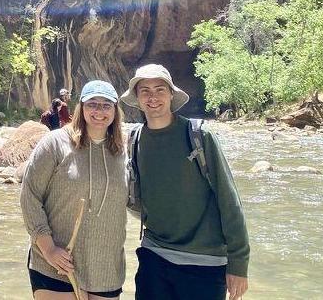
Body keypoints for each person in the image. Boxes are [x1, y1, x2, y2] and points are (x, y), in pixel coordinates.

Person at [120, 64, 250, 300]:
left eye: (160, 90)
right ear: (137, 98)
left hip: (205, 261)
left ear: (171, 94)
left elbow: (229, 201)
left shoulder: (199, 136)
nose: (153, 97)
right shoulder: (135, 139)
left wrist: (238, 264)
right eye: (145, 91)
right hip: (154, 255)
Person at [21, 80, 127, 298]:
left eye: (107, 105)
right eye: (92, 104)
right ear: (81, 107)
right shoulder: (55, 143)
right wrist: (48, 249)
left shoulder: (124, 150)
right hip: (56, 264)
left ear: (116, 111)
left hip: (106, 268)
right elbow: (29, 196)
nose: (99, 111)